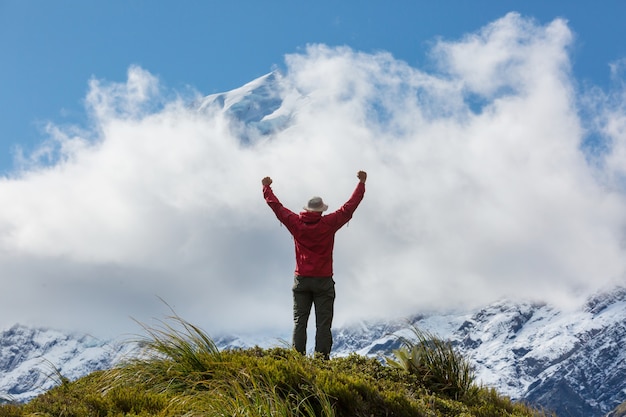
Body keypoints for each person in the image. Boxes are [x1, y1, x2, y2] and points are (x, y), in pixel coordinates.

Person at [261, 171, 367, 358]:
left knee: (300, 322)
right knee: (323, 324)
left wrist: (266, 188)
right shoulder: (328, 224)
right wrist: (361, 183)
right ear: (321, 210)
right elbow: (349, 208)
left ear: (306, 209)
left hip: (301, 279)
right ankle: (321, 360)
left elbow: (277, 207)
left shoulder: (295, 223)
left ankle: (297, 359)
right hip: (324, 281)